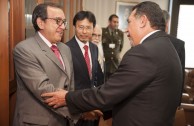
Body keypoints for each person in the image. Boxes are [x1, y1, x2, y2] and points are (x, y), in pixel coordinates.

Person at [42, 1, 182, 126]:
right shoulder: (169, 47)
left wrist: (67, 98)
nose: (126, 30)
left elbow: (107, 94)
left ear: (143, 21)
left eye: (129, 22)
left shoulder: (143, 52)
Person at [13, 3, 77, 126]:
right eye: (58, 21)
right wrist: (79, 111)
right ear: (40, 23)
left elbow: (70, 86)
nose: (63, 27)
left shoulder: (65, 49)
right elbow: (44, 92)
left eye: (64, 22)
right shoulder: (24, 49)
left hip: (64, 121)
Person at [65, 11, 104, 126]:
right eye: (81, 27)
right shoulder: (66, 49)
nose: (85, 32)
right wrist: (81, 109)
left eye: (88, 28)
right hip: (75, 109)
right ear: (74, 27)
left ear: (93, 29)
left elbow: (94, 77)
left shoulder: (93, 48)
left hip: (92, 105)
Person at [162, 10, 185, 101]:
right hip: (170, 97)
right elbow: (181, 76)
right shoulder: (178, 44)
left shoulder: (145, 42)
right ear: (167, 23)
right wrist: (178, 102)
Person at [102, 14, 124, 80]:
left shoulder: (120, 33)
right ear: (109, 22)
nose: (116, 24)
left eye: (117, 22)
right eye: (114, 22)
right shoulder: (103, 31)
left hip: (115, 63)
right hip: (105, 62)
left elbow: (120, 47)